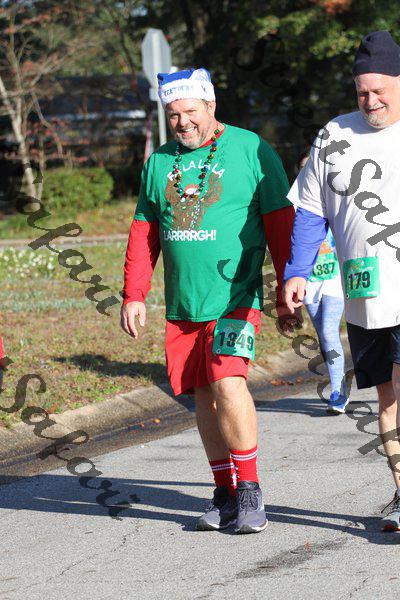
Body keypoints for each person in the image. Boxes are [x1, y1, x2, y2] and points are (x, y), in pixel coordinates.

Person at [121, 67, 300, 534]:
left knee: (227, 381)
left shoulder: (251, 149)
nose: (183, 122)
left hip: (236, 296)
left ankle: (250, 489)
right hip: (184, 303)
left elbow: (280, 223)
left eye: (191, 112)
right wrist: (134, 293)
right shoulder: (159, 162)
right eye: (174, 115)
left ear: (211, 105)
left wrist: (287, 288)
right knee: (203, 391)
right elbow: (144, 230)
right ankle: (224, 491)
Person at [284, 31, 400, 531]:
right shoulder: (334, 135)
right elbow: (311, 211)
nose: (370, 101)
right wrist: (296, 272)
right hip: (363, 294)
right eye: (362, 92)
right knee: (387, 399)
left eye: (379, 91)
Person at [296, 151, 348, 414]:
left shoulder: (338, 199)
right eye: (304, 169)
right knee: (324, 337)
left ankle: (338, 392)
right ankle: (340, 382)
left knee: (328, 332)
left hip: (335, 278)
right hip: (309, 282)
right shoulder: (295, 205)